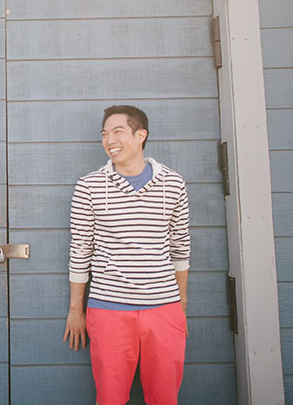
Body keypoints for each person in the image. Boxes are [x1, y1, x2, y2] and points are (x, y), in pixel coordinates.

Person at [62, 105, 190, 405]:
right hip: (109, 310)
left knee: (164, 398)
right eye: (105, 134)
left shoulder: (173, 183)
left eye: (117, 132)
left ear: (140, 135)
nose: (109, 140)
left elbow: (180, 248)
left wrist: (180, 307)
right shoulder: (89, 186)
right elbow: (80, 250)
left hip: (163, 310)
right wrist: (75, 309)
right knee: (110, 398)